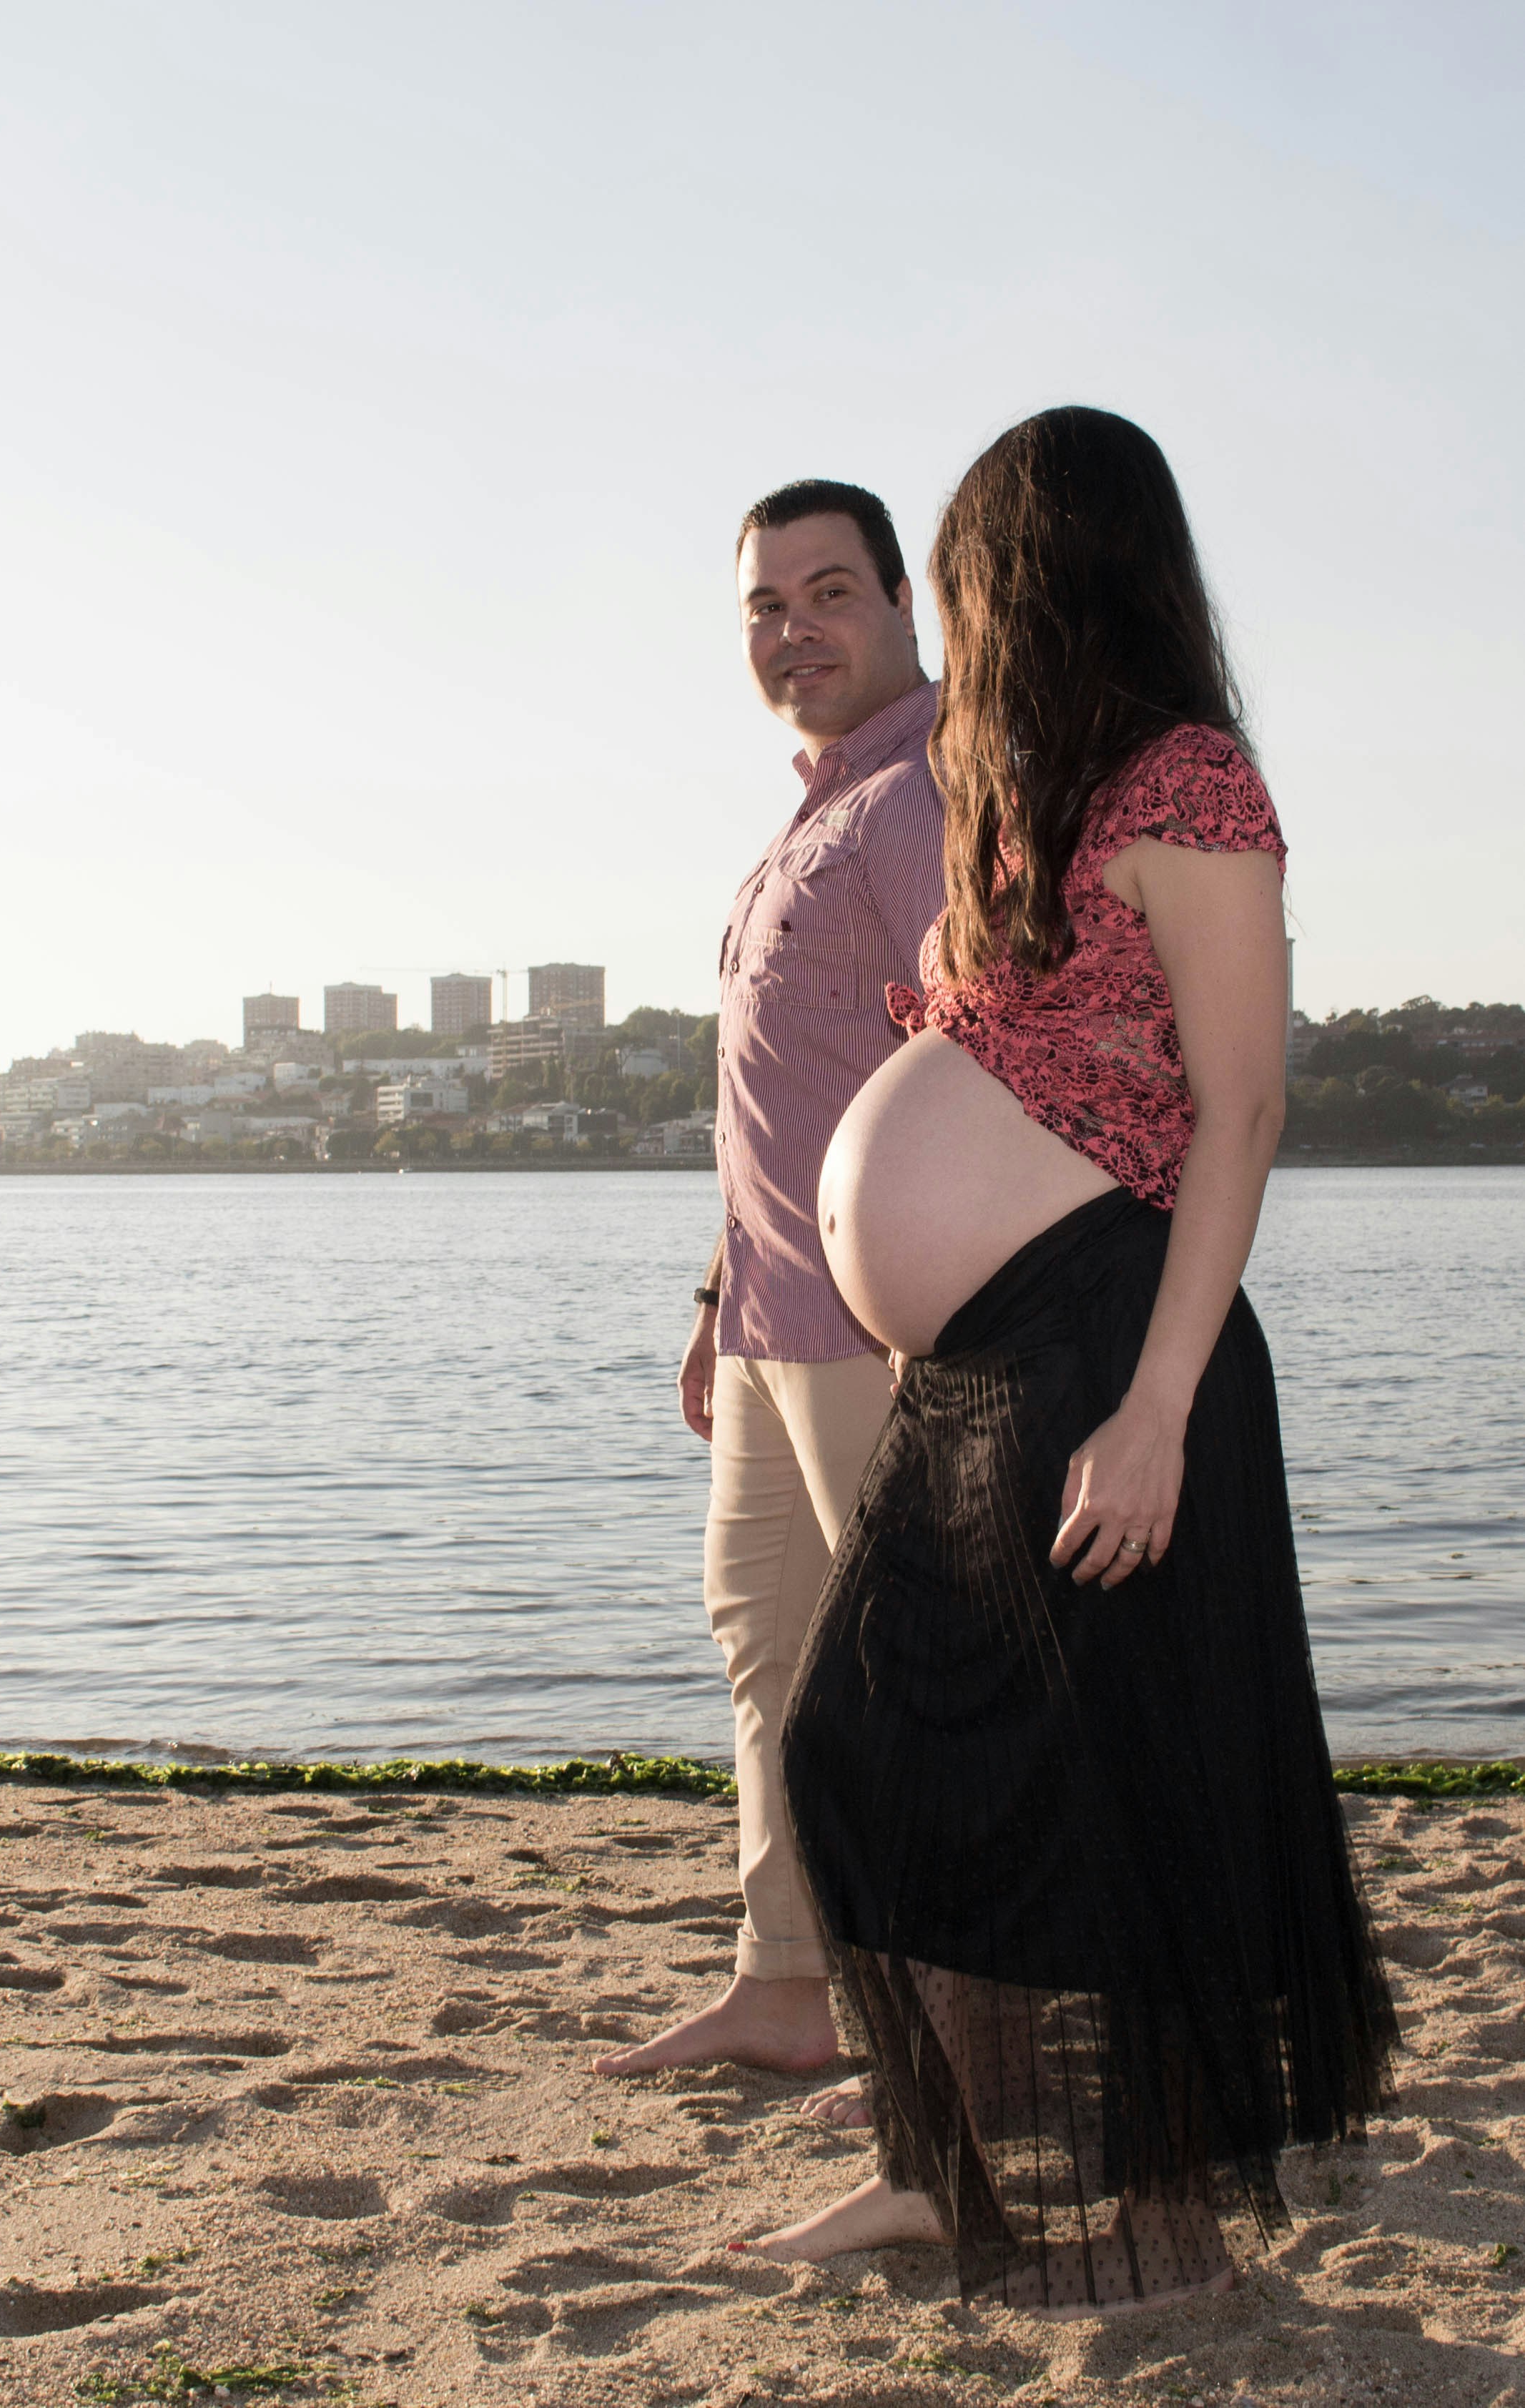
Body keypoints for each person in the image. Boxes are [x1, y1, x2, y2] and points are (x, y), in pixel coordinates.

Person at [751, 406, 1397, 2311]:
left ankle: (1152, 2221)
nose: (952, 612)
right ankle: (935, 2167)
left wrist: (1156, 1413)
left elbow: (1244, 1109)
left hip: (1113, 1340)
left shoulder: (1189, 783)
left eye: (962, 574)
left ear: (1032, 570)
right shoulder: (1034, 796)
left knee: (1118, 1796)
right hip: (985, 1361)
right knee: (860, 1752)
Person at [594, 482, 942, 2100]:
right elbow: (785, 1097)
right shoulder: (810, 814)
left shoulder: (925, 796)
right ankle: (787, 1985)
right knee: (771, 1649)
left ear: (898, 604)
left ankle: (963, 2022)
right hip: (765, 1321)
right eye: (761, 604)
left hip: (887, 1327)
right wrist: (712, 1293)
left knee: (916, 1674)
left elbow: (984, 1064)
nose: (791, 629)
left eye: (827, 593)